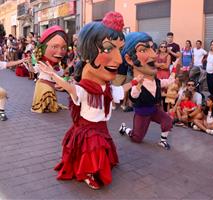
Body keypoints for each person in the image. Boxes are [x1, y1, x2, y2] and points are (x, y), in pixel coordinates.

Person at [39, 12, 142, 190]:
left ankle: (95, 168)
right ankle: (87, 173)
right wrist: (53, 75)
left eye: (120, 49)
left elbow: (119, 90)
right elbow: (70, 87)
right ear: (87, 54)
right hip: (89, 129)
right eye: (109, 49)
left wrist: (133, 82)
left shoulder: (107, 87)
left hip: (101, 127)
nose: (118, 60)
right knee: (92, 152)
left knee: (99, 151)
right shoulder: (84, 89)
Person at [119, 32, 175, 150]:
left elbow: (169, 81)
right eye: (143, 50)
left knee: (167, 121)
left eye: (153, 48)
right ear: (129, 59)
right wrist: (138, 85)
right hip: (142, 113)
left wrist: (175, 68)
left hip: (154, 110)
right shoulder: (136, 83)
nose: (154, 55)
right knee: (136, 138)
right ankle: (125, 129)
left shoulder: (157, 81)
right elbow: (134, 95)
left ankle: (163, 141)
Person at [29, 26, 68, 113]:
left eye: (63, 48)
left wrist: (67, 70)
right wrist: (30, 64)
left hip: (52, 84)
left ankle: (48, 106)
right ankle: (43, 106)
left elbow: (60, 74)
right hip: (43, 83)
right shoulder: (42, 62)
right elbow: (33, 70)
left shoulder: (58, 65)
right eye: (54, 47)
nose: (60, 51)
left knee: (51, 102)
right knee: (47, 92)